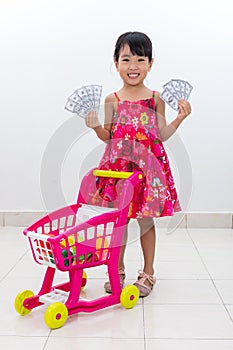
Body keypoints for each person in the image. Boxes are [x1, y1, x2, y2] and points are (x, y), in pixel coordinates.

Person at [85, 31, 191, 297]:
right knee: (119, 223)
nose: (133, 66)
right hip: (119, 170)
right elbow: (109, 137)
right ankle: (116, 269)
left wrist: (180, 118)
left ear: (150, 63)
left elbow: (161, 134)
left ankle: (148, 273)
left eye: (140, 59)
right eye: (126, 59)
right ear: (116, 62)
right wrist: (96, 125)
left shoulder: (155, 98)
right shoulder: (112, 99)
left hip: (148, 171)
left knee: (145, 222)